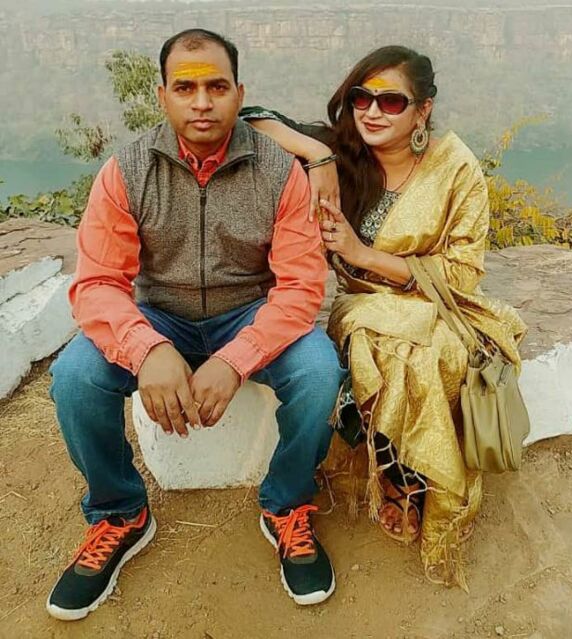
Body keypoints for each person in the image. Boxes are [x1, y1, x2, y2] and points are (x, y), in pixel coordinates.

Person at [46, 28, 346, 620]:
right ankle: (120, 512)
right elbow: (98, 282)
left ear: (240, 94)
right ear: (162, 96)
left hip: (249, 312)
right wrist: (147, 349)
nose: (202, 103)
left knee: (318, 371)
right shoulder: (127, 170)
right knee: (75, 378)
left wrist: (236, 359)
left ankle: (286, 505)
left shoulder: (279, 172)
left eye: (217, 87)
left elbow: (300, 288)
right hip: (160, 314)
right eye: (185, 89)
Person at [242, 45, 527, 587]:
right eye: (361, 98)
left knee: (437, 352)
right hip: (362, 305)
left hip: (437, 302)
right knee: (391, 347)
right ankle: (397, 475)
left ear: (423, 110)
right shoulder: (341, 153)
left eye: (391, 101)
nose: (372, 112)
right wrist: (318, 156)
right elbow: (250, 120)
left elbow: (463, 273)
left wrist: (363, 253)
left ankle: (414, 477)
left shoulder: (456, 169)